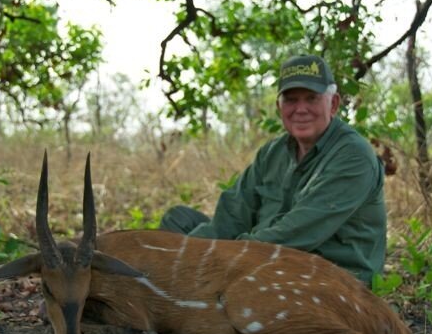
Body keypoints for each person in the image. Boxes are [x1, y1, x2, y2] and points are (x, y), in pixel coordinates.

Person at [160, 54, 387, 285]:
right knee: (178, 221)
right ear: (279, 107)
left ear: (334, 104)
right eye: (291, 100)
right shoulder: (272, 152)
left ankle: (184, 286)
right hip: (263, 256)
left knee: (184, 260)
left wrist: (214, 256)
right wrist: (193, 250)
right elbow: (233, 213)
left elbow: (294, 235)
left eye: (311, 98)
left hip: (322, 274)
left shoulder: (353, 155)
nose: (301, 109)